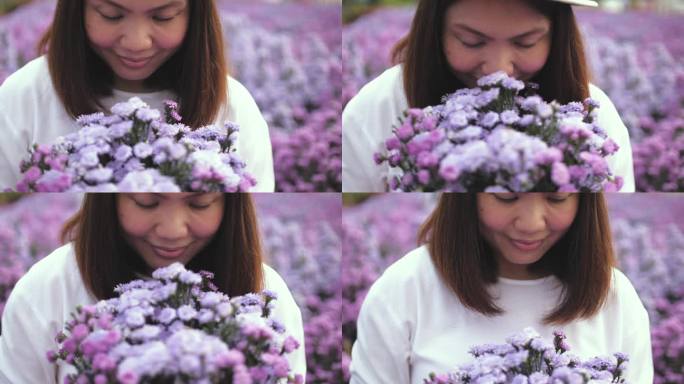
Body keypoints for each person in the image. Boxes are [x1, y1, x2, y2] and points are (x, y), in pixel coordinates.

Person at [0, 193, 306, 382]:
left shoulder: (267, 295)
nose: (172, 231)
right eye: (147, 202)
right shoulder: (46, 290)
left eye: (199, 203)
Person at [351, 193, 652, 384]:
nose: (531, 223)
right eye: (507, 196)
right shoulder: (404, 289)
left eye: (556, 198)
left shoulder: (615, 297)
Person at [342, 0, 635, 192]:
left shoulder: (597, 119)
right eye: (471, 41)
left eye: (525, 43)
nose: (499, 70)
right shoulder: (376, 109)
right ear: (435, 31)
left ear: (557, 38)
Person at [0, 0, 274, 191]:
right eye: (110, 14)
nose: (136, 42)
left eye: (163, 17)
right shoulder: (23, 96)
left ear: (195, 15)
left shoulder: (234, 107)